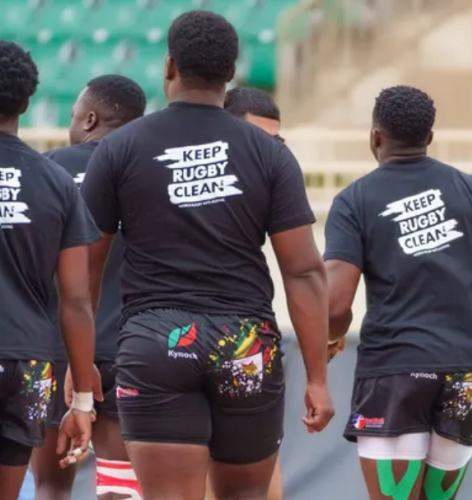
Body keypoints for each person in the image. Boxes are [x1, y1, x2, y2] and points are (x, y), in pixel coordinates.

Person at [80, 11, 334, 500]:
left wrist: (80, 358)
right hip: (245, 344)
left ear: (169, 66)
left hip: (155, 343)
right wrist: (319, 378)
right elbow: (303, 271)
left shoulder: (118, 148)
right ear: (232, 73)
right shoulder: (270, 154)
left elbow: (85, 268)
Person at [324, 85, 472, 500]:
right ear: (429, 137)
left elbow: (336, 304)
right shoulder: (470, 189)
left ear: (375, 136)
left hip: (395, 372)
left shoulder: (354, 201)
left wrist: (328, 336)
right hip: (465, 374)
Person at [0, 40, 100, 500]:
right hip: (31, 368)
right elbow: (76, 299)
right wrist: (83, 400)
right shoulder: (56, 181)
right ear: (26, 103)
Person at [30, 75, 147, 500]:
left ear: (90, 118)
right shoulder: (150, 169)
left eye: (75, 115)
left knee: (49, 485)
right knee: (121, 489)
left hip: (57, 347)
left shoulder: (47, 169)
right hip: (131, 347)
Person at [222, 85, 289, 500]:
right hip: (173, 334)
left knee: (260, 483)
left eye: (276, 142)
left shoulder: (275, 173)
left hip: (248, 331)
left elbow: (303, 269)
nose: (269, 151)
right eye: (257, 141)